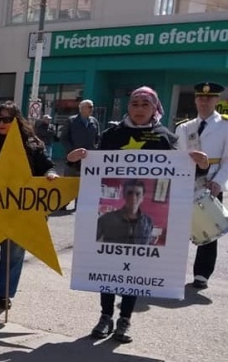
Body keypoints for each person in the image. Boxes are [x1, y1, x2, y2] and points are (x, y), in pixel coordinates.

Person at [67, 86, 208, 343]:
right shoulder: (112, 134)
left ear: (155, 108)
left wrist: (198, 166)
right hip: (114, 222)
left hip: (138, 226)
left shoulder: (165, 137)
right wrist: (77, 159)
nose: (139, 109)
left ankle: (125, 320)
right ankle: (105, 316)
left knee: (134, 272)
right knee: (109, 268)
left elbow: (181, 175)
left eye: (145, 104)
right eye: (134, 104)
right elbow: (94, 167)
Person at [0, 101, 58, 310]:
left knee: (13, 254)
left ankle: (5, 294)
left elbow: (48, 167)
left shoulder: (33, 145)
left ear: (17, 120)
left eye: (7, 119)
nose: (2, 123)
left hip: (22, 212)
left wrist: (50, 175)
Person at [175, 81, 228, 290]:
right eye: (200, 97)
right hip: (186, 184)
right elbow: (177, 158)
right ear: (195, 99)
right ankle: (172, 270)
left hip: (211, 182)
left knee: (209, 230)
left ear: (217, 100)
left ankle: (202, 274)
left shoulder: (225, 126)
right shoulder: (184, 128)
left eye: (209, 98)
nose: (204, 102)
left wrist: (218, 182)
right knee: (178, 230)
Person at [62, 99, 99, 209]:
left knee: (84, 183)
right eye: (89, 107)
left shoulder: (94, 121)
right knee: (69, 182)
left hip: (88, 158)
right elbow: (64, 138)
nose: (92, 109)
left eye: (92, 107)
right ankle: (63, 204)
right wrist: (71, 152)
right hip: (73, 158)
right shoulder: (71, 121)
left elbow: (97, 138)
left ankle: (80, 205)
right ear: (81, 108)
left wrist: (95, 150)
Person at [96, 180, 155, 245]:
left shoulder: (149, 222)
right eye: (129, 193)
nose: (133, 197)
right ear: (124, 195)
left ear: (142, 198)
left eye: (138, 194)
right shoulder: (107, 219)